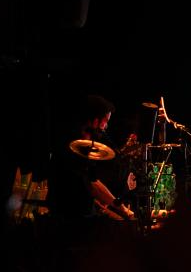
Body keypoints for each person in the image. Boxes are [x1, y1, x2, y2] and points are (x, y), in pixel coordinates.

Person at [46, 94, 135, 225]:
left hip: (81, 210)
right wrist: (122, 209)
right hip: (72, 217)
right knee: (120, 227)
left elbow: (89, 183)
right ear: (94, 120)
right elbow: (92, 186)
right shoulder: (74, 147)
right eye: (105, 121)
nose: (105, 126)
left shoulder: (85, 145)